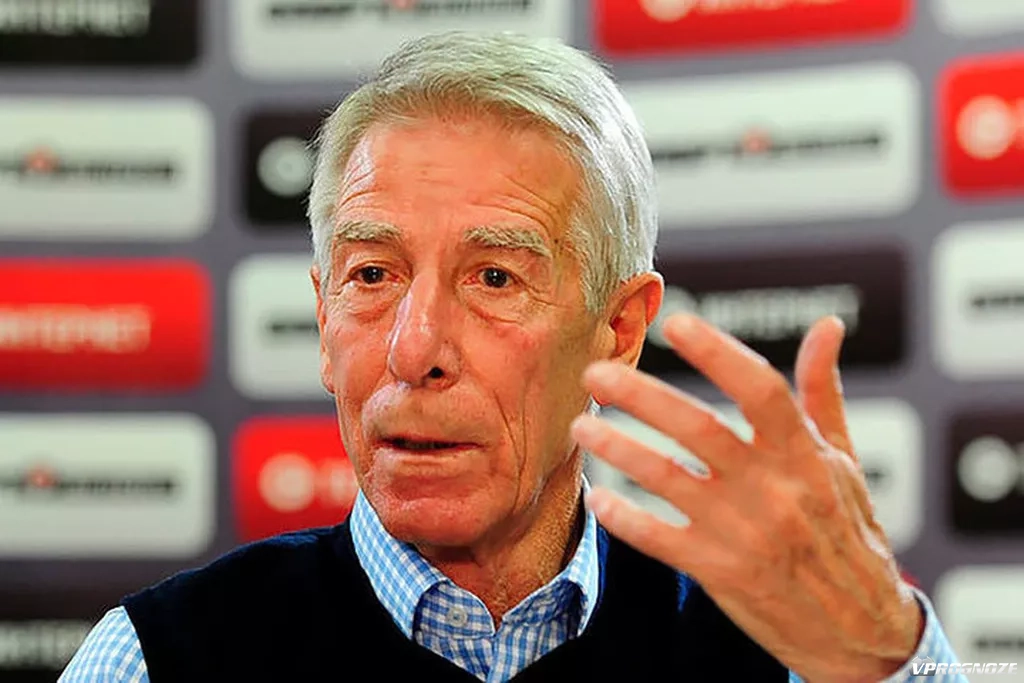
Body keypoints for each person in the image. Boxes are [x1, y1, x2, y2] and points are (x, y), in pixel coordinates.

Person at [60, 31, 963, 682]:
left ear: (619, 331)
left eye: (494, 277)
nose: (414, 348)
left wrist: (888, 654)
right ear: (324, 318)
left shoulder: (784, 656)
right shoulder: (156, 656)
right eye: (372, 274)